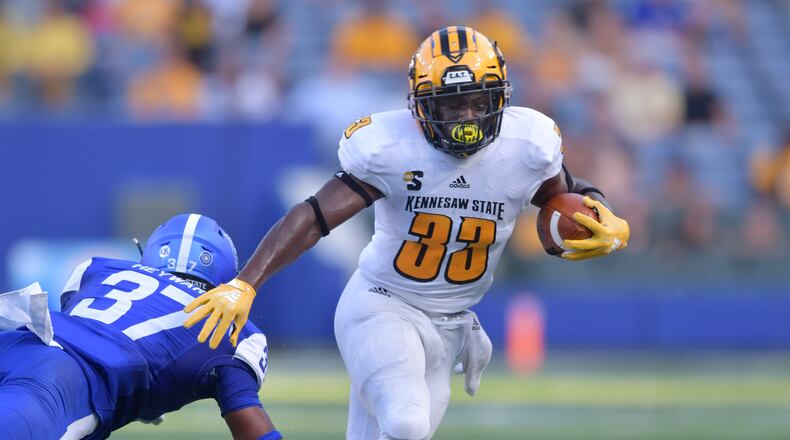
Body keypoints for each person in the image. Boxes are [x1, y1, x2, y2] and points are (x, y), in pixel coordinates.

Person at [185, 26, 630, 439]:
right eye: (452, 105)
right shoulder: (392, 148)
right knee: (407, 422)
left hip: (450, 328)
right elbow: (313, 216)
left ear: (501, 99)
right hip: (382, 305)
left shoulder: (527, 147)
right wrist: (246, 283)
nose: (468, 117)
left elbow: (569, 192)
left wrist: (605, 215)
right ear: (421, 104)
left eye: (479, 100)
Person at [0, 214, 281, 440]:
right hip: (58, 385)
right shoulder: (228, 332)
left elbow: (109, 332)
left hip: (16, 343)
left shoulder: (99, 269)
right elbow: (254, 431)